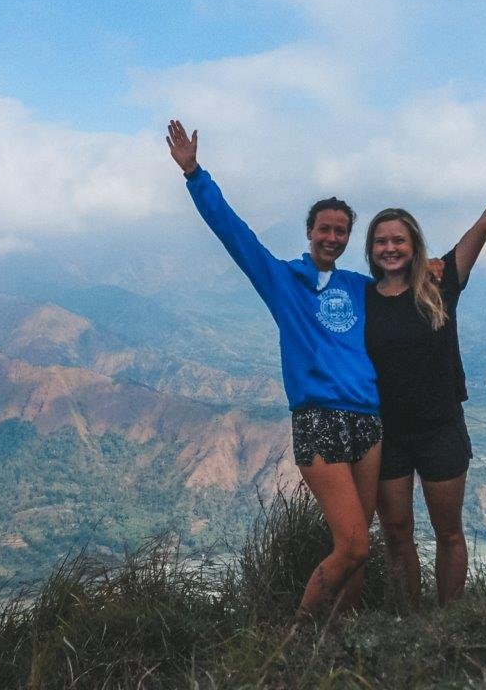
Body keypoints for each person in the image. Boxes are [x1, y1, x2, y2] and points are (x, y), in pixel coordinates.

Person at [165, 119, 381, 618]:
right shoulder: (283, 281)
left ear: (349, 238)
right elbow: (235, 235)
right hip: (319, 420)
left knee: (359, 548)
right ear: (310, 232)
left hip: (368, 423)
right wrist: (195, 174)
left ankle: (346, 638)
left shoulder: (360, 287)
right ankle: (297, 641)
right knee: (353, 545)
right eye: (324, 228)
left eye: (340, 231)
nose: (331, 236)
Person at [365, 142, 486, 607]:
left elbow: (485, 224)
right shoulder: (363, 296)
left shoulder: (442, 281)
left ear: (414, 244)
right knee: (397, 534)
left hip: (441, 429)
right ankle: (410, 621)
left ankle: (448, 621)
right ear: (371, 250)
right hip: (388, 434)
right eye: (381, 241)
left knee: (449, 532)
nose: (390, 248)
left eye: (398, 240)